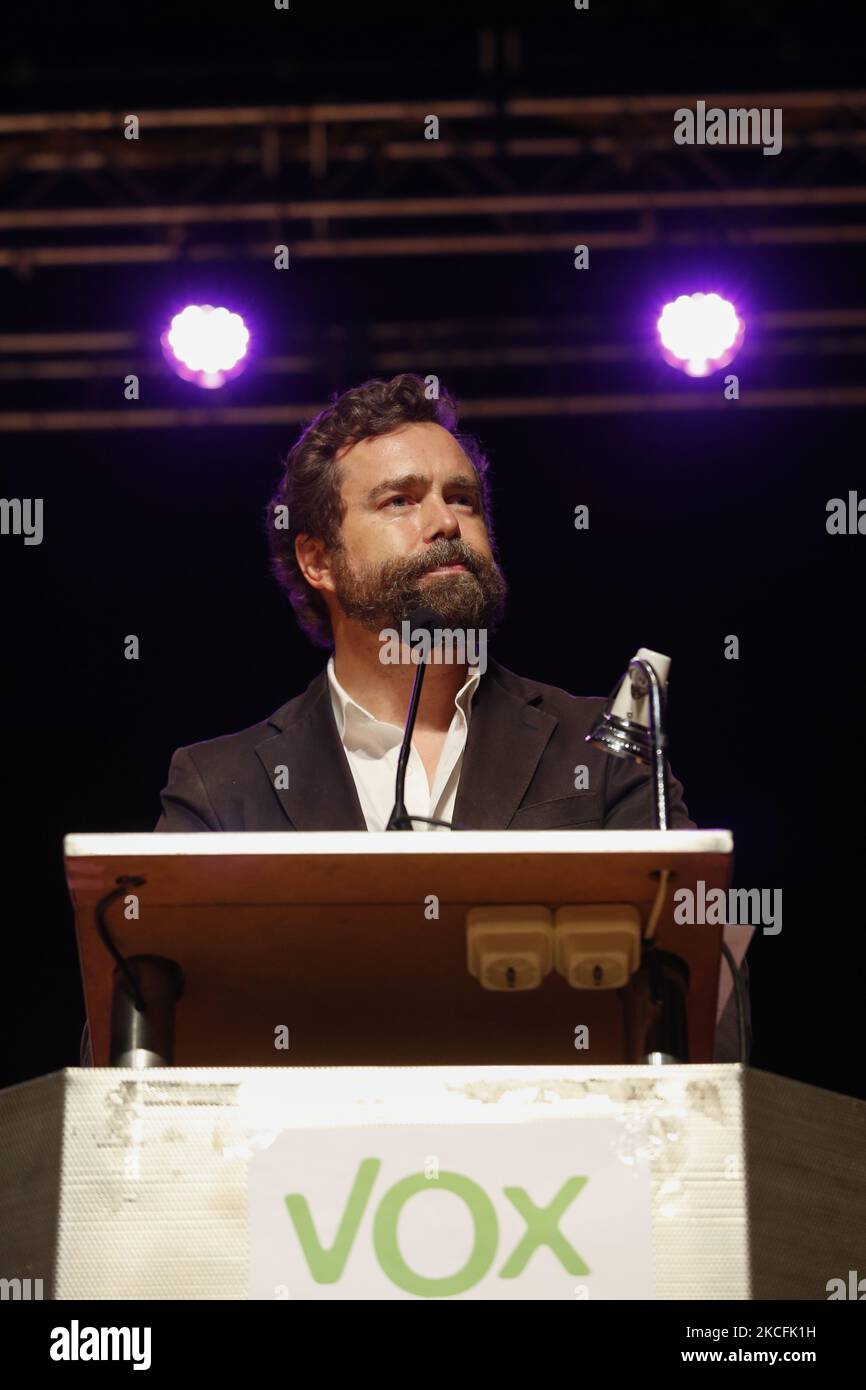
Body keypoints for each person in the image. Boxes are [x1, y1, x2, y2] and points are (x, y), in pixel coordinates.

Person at [155, 372, 751, 1061]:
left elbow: (699, 985)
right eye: (400, 500)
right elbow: (141, 1026)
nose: (445, 521)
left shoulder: (600, 754)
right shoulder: (223, 787)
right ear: (318, 558)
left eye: (462, 499)